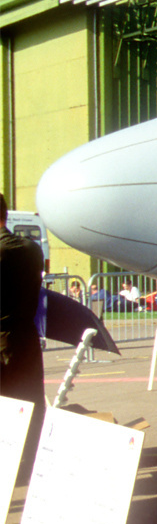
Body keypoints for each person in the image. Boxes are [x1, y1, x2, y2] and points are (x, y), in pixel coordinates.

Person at [1, 192, 46, 494]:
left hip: (3, 342)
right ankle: (31, 466)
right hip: (26, 338)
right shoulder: (31, 250)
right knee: (31, 405)